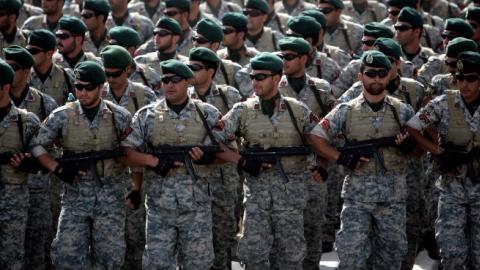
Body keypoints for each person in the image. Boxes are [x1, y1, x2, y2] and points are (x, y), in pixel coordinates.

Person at [213, 52, 321, 269]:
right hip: (257, 199)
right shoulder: (242, 110)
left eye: (261, 77)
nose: (255, 82)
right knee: (252, 255)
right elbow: (213, 141)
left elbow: (323, 141)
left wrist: (322, 166)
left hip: (290, 198)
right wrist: (241, 160)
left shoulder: (297, 111)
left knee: (290, 257)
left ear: (277, 78)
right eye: (253, 77)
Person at [308, 50, 415, 269]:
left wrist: (409, 147)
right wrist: (341, 157)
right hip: (357, 198)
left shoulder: (402, 111)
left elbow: (420, 147)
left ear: (389, 76)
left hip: (392, 199)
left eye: (381, 74)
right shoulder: (345, 111)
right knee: (352, 258)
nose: (376, 78)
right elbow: (316, 136)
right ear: (360, 76)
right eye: (370, 73)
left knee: (391, 259)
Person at [29, 61, 132, 269]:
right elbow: (37, 145)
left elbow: (132, 152)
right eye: (78, 87)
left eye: (88, 88)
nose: (82, 92)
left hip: (110, 197)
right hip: (75, 197)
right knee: (67, 256)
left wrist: (135, 186)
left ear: (101, 88)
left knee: (109, 259)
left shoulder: (119, 116)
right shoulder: (63, 115)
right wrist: (57, 168)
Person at [121, 59, 223, 269]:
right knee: (157, 265)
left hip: (196, 207)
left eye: (175, 80)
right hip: (160, 207)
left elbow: (228, 151)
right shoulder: (146, 116)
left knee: (198, 264)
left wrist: (208, 158)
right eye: (165, 80)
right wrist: (152, 161)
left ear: (188, 82)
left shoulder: (207, 114)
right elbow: (125, 153)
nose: (170, 85)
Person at [405, 51, 480, 269]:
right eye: (459, 78)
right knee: (451, 251)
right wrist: (437, 150)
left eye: (471, 78)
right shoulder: (444, 102)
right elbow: (412, 126)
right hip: (452, 185)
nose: (464, 84)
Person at [277, 36, 334, 270]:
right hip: (284, 170)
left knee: (312, 228)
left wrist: (324, 163)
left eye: (289, 57)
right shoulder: (274, 86)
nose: (284, 61)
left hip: (312, 168)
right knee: (283, 231)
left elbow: (332, 128)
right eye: (282, 57)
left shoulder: (320, 89)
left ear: (303, 58)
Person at [4, 45, 59, 270]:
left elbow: (52, 152)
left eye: (13, 67)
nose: (7, 69)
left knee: (35, 249)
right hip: (9, 189)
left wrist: (34, 163)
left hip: (36, 189)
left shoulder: (44, 105)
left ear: (27, 71)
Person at [187, 47, 243, 270]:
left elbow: (239, 130)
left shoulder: (229, 96)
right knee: (194, 236)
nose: (189, 72)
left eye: (195, 68)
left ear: (211, 71)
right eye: (188, 67)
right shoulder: (182, 93)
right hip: (192, 176)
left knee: (222, 234)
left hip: (223, 175)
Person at [0, 59, 41, 270]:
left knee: (12, 259)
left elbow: (46, 157)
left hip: (13, 201)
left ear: (5, 87)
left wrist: (30, 163)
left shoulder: (27, 121)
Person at [107, 26, 163, 95]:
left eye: (116, 47)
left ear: (131, 49)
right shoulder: (100, 72)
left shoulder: (148, 75)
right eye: (110, 45)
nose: (111, 50)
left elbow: (159, 101)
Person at [28, 29, 74, 106]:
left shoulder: (66, 77)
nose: (29, 55)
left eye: (33, 51)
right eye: (27, 50)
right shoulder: (23, 76)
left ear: (49, 53)